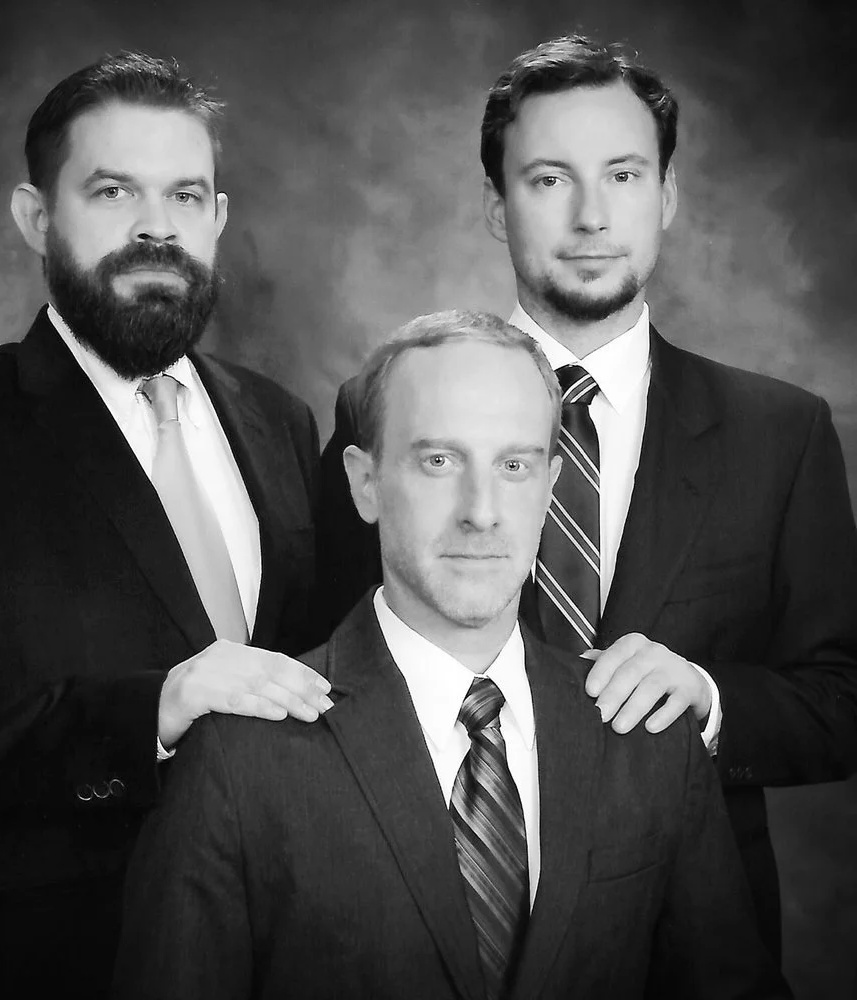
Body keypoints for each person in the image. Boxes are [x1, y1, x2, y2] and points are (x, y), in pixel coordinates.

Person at [313, 35, 857, 956]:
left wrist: (709, 698)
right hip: (426, 925)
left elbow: (842, 699)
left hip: (690, 942)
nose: (593, 215)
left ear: (667, 196)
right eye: (550, 179)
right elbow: (336, 659)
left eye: (625, 175)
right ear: (497, 206)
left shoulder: (782, 433)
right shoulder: (393, 410)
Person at [113, 311, 789, 1000]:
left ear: (552, 483)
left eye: (515, 465)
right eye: (439, 461)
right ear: (365, 483)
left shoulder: (646, 739)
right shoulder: (238, 754)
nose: (482, 510)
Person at [0, 52, 333, 999]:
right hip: (61, 961)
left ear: (219, 219)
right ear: (37, 218)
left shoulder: (281, 420)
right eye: (113, 191)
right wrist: (148, 711)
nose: (158, 228)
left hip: (288, 947)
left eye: (187, 196)